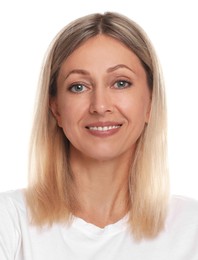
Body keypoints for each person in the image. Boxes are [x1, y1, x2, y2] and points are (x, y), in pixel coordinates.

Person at [0, 12, 198, 260]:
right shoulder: (9, 220)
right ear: (55, 108)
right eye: (79, 86)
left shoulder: (191, 229)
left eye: (121, 83)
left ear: (150, 102)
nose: (100, 105)